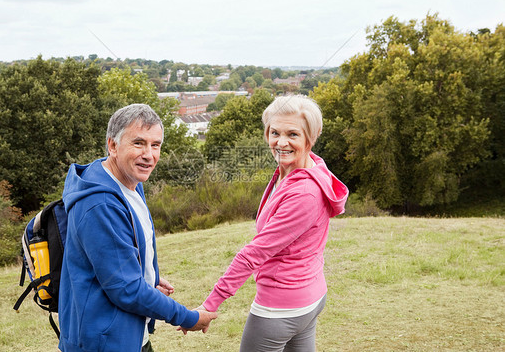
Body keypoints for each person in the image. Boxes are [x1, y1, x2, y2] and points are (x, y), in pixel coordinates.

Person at [58, 104, 217, 352]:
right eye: (139, 143)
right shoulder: (100, 204)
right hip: (103, 342)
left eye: (156, 145)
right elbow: (127, 289)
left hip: (130, 335)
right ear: (113, 146)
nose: (149, 155)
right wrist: (189, 318)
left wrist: (147, 274)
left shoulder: (129, 181)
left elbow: (122, 258)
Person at [200, 95, 348, 351]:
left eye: (293, 134)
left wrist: (209, 305)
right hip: (308, 297)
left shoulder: (304, 193)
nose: (281, 142)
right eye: (274, 132)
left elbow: (253, 254)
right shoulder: (304, 168)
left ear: (312, 136)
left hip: (281, 307)